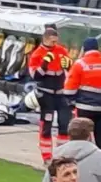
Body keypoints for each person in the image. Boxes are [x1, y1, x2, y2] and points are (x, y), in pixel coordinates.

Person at [27, 26, 74, 162]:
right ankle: (47, 157)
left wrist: (69, 65)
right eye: (53, 42)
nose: (55, 45)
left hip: (61, 93)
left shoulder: (61, 50)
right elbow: (35, 76)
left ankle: (62, 156)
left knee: (64, 124)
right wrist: (44, 65)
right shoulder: (37, 54)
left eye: (56, 41)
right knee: (46, 125)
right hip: (46, 94)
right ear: (45, 39)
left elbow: (70, 72)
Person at [64, 37, 101, 149]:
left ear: (84, 49)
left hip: (84, 107)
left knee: (82, 138)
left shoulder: (80, 64)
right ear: (97, 49)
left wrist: (72, 103)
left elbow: (69, 90)